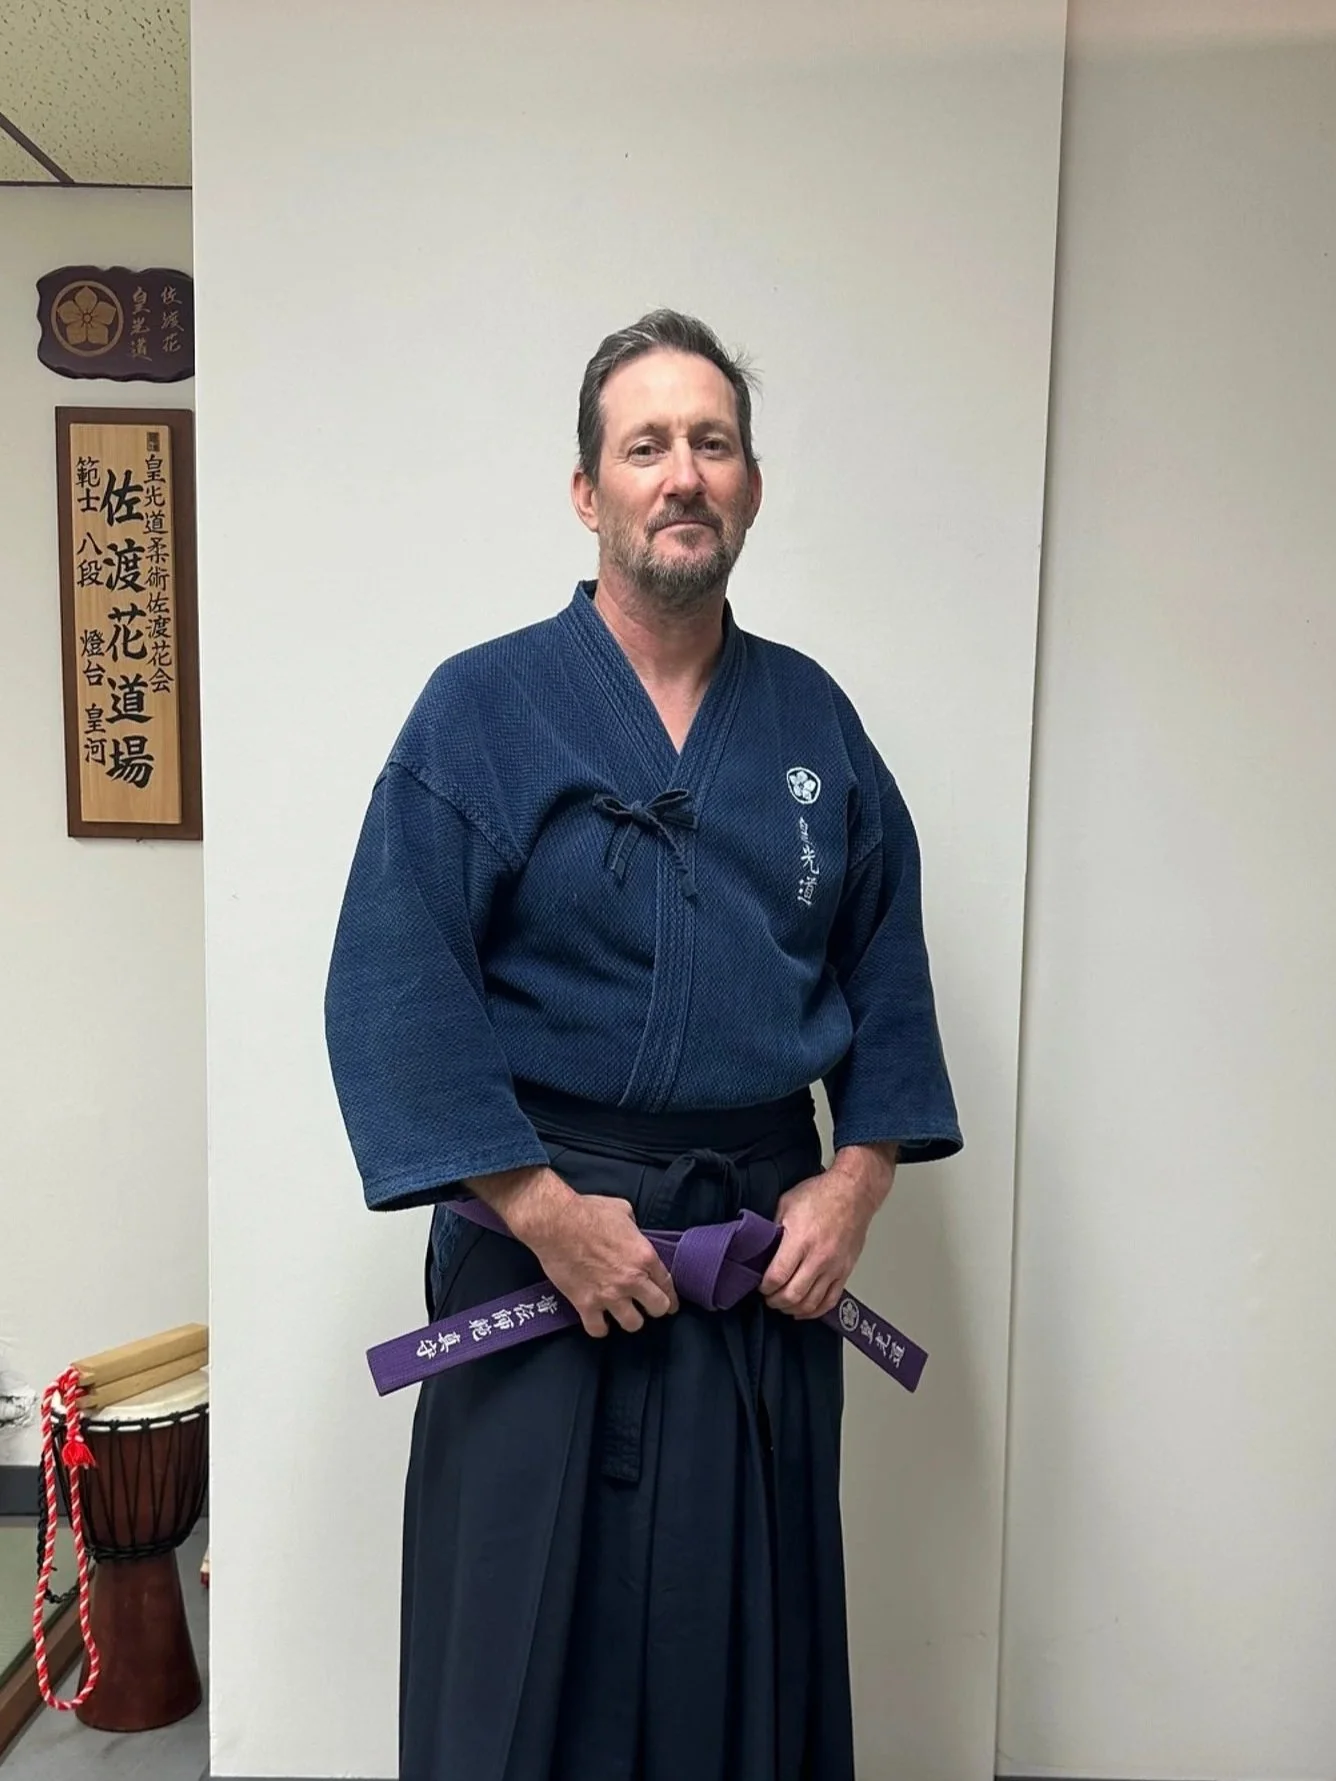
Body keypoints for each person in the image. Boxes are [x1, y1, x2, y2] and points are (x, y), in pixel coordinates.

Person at [325, 309, 961, 1781]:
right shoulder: (482, 707)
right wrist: (546, 1213)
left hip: (752, 1253)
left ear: (751, 485)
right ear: (587, 489)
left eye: (713, 444)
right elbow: (393, 981)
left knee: (739, 1659)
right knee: (516, 1656)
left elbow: (888, 967)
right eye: (647, 445)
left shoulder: (811, 721)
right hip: (539, 1242)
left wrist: (854, 1186)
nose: (684, 473)